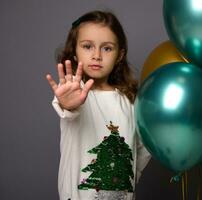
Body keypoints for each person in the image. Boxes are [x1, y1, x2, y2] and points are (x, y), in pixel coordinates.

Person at [46, 10, 151, 200]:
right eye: (87, 46)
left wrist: (133, 175)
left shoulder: (129, 100)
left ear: (120, 55)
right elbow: (67, 109)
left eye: (107, 48)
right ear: (75, 52)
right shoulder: (73, 90)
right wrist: (68, 104)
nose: (96, 55)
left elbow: (143, 145)